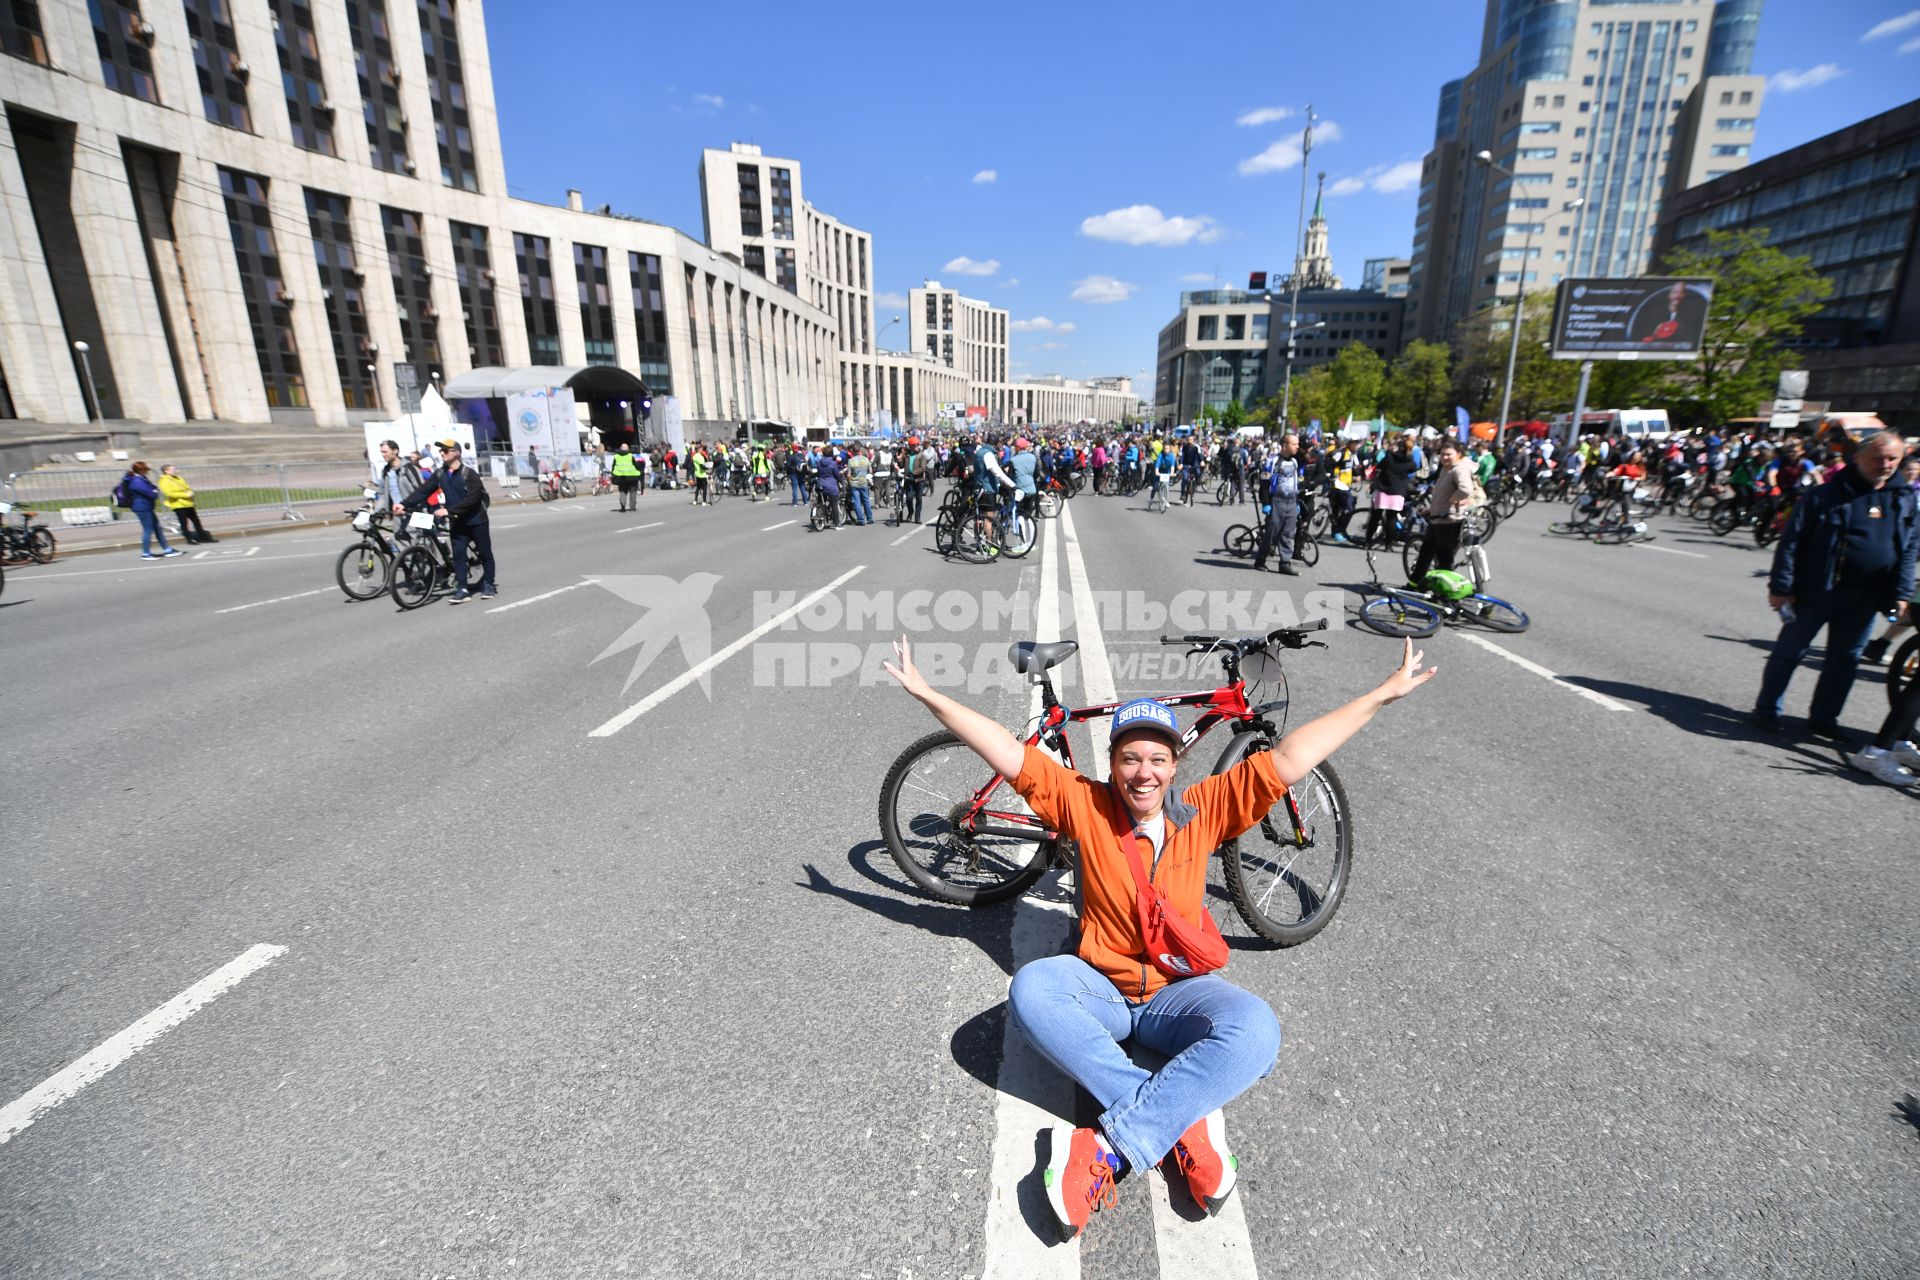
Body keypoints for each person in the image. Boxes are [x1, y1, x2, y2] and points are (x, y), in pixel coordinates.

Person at [881, 633, 1436, 1239]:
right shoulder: (1083, 805)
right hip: (1103, 988)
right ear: (1113, 762)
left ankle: (1108, 1146)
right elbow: (1006, 752)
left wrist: (1381, 695)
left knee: (1257, 1030)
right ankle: (1177, 1122)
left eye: (1157, 760)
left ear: (1174, 766)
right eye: (1129, 759)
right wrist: (930, 696)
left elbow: (1295, 755)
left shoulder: (1206, 809)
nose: (1143, 774)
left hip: (1176, 993)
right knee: (1034, 991)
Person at [1754, 431, 1916, 737]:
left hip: (1866, 596)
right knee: (1790, 653)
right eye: (1878, 458)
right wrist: (1780, 587)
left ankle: (1824, 718)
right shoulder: (1825, 495)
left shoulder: (1903, 498)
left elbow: (1908, 550)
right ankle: (1767, 710)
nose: (1886, 464)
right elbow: (1791, 542)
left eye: (1892, 458)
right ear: (1858, 458)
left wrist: (1902, 593)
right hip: (1816, 590)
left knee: (1845, 661)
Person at [401, 439, 496, 603]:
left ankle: (488, 584)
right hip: (457, 523)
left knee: (485, 553)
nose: (442, 453)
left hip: (476, 521)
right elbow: (423, 491)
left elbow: (473, 498)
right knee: (459, 556)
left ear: (456, 453)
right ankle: (463, 589)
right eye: (441, 450)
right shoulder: (440, 474)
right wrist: (403, 504)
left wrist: (449, 510)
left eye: (446, 450)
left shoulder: (469, 474)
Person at [1407, 439, 1477, 586]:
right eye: (1442, 454)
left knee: (1444, 560)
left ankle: (1448, 594)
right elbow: (1441, 495)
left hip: (1450, 520)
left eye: (1448, 454)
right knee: (1425, 554)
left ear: (1458, 454)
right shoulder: (1446, 468)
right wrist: (1431, 509)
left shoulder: (1459, 469)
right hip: (1438, 517)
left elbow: (1465, 489)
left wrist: (1453, 499)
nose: (1444, 457)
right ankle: (1414, 584)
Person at [1252, 433, 1302, 576]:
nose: (1297, 447)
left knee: (1288, 534)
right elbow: (1264, 485)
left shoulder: (1295, 462)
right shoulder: (1271, 462)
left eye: (1297, 444)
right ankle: (1260, 561)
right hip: (1277, 502)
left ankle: (1285, 564)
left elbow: (1295, 483)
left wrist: (1296, 501)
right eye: (1294, 444)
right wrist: (1266, 503)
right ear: (1285, 446)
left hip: (1291, 502)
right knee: (1271, 534)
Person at [1362, 434, 1417, 547]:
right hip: (1398, 491)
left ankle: (1368, 541)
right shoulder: (1410, 461)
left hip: (1383, 488)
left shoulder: (1389, 456)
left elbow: (1379, 466)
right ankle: (1388, 544)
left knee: (1375, 516)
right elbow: (1414, 469)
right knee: (1391, 518)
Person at [120, 461, 182, 560]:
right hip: (142, 508)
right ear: (140, 470)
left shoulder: (141, 479)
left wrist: (154, 490)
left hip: (146, 507)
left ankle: (167, 549)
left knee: (157, 528)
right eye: (145, 469)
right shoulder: (137, 481)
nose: (147, 471)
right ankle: (146, 553)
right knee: (148, 530)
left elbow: (153, 489)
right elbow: (151, 493)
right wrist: (154, 491)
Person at [156, 464, 215, 544]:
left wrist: (190, 492)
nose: (175, 471)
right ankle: (189, 539)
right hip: (178, 505)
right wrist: (185, 495)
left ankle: (203, 537)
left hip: (188, 503)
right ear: (166, 471)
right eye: (172, 470)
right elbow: (169, 493)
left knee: (196, 521)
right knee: (184, 522)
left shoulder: (178, 478)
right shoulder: (164, 480)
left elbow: (187, 487)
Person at [609, 443, 642, 512]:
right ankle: (632, 508)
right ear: (627, 449)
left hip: (621, 477)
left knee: (623, 491)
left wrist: (613, 474)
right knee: (633, 491)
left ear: (621, 448)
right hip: (632, 476)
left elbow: (613, 466)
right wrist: (639, 472)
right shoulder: (630, 456)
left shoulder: (616, 456)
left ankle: (623, 506)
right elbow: (636, 465)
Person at [847, 445, 874, 525]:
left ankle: (860, 520)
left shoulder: (851, 461)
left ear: (853, 451)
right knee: (866, 500)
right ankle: (869, 518)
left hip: (854, 483)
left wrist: (849, 483)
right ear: (860, 451)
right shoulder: (866, 459)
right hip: (863, 482)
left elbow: (849, 475)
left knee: (857, 502)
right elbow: (870, 471)